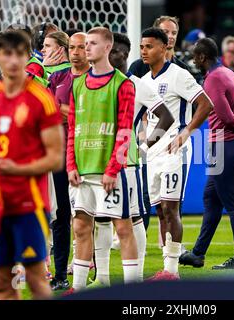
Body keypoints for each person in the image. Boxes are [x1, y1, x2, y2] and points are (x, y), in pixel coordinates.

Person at [0, 30, 64, 299]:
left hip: (29, 204)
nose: (13, 61)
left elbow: (55, 158)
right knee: (2, 279)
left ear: (27, 57)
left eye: (19, 54)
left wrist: (17, 170)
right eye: (7, 54)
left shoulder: (41, 100)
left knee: (34, 275)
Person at [91, 32, 174, 285]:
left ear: (123, 55)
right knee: (100, 218)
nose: (111, 54)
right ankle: (102, 278)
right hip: (97, 161)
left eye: (115, 51)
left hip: (127, 164)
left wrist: (145, 145)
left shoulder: (137, 84)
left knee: (134, 218)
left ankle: (135, 279)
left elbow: (166, 117)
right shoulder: (96, 82)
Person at [66, 27, 138, 292]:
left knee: (122, 227)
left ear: (108, 47)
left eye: (93, 44)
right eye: (86, 44)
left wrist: (113, 168)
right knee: (81, 226)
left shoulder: (123, 84)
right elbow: (73, 128)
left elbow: (124, 130)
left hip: (110, 173)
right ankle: (79, 287)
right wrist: (70, 164)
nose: (86, 48)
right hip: (82, 170)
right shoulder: (77, 84)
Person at [139, 28, 213, 280]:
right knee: (159, 209)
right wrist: (145, 142)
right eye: (142, 47)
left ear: (163, 48)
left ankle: (173, 271)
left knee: (172, 209)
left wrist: (188, 131)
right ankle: (166, 266)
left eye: (149, 46)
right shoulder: (145, 80)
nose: (144, 51)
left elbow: (206, 104)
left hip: (175, 149)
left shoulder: (179, 75)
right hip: (154, 152)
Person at [179, 38, 234, 269]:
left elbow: (225, 116)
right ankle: (198, 253)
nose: (193, 61)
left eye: (195, 56)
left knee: (233, 202)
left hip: (225, 146)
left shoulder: (213, 78)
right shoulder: (230, 74)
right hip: (230, 146)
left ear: (202, 57)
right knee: (211, 198)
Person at [47, 32, 90, 291]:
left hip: (88, 152)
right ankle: (60, 274)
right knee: (61, 215)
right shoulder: (57, 78)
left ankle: (96, 270)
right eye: (72, 48)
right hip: (60, 152)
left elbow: (90, 114)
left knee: (89, 215)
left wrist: (65, 112)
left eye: (81, 48)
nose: (75, 53)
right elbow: (48, 110)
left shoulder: (97, 79)